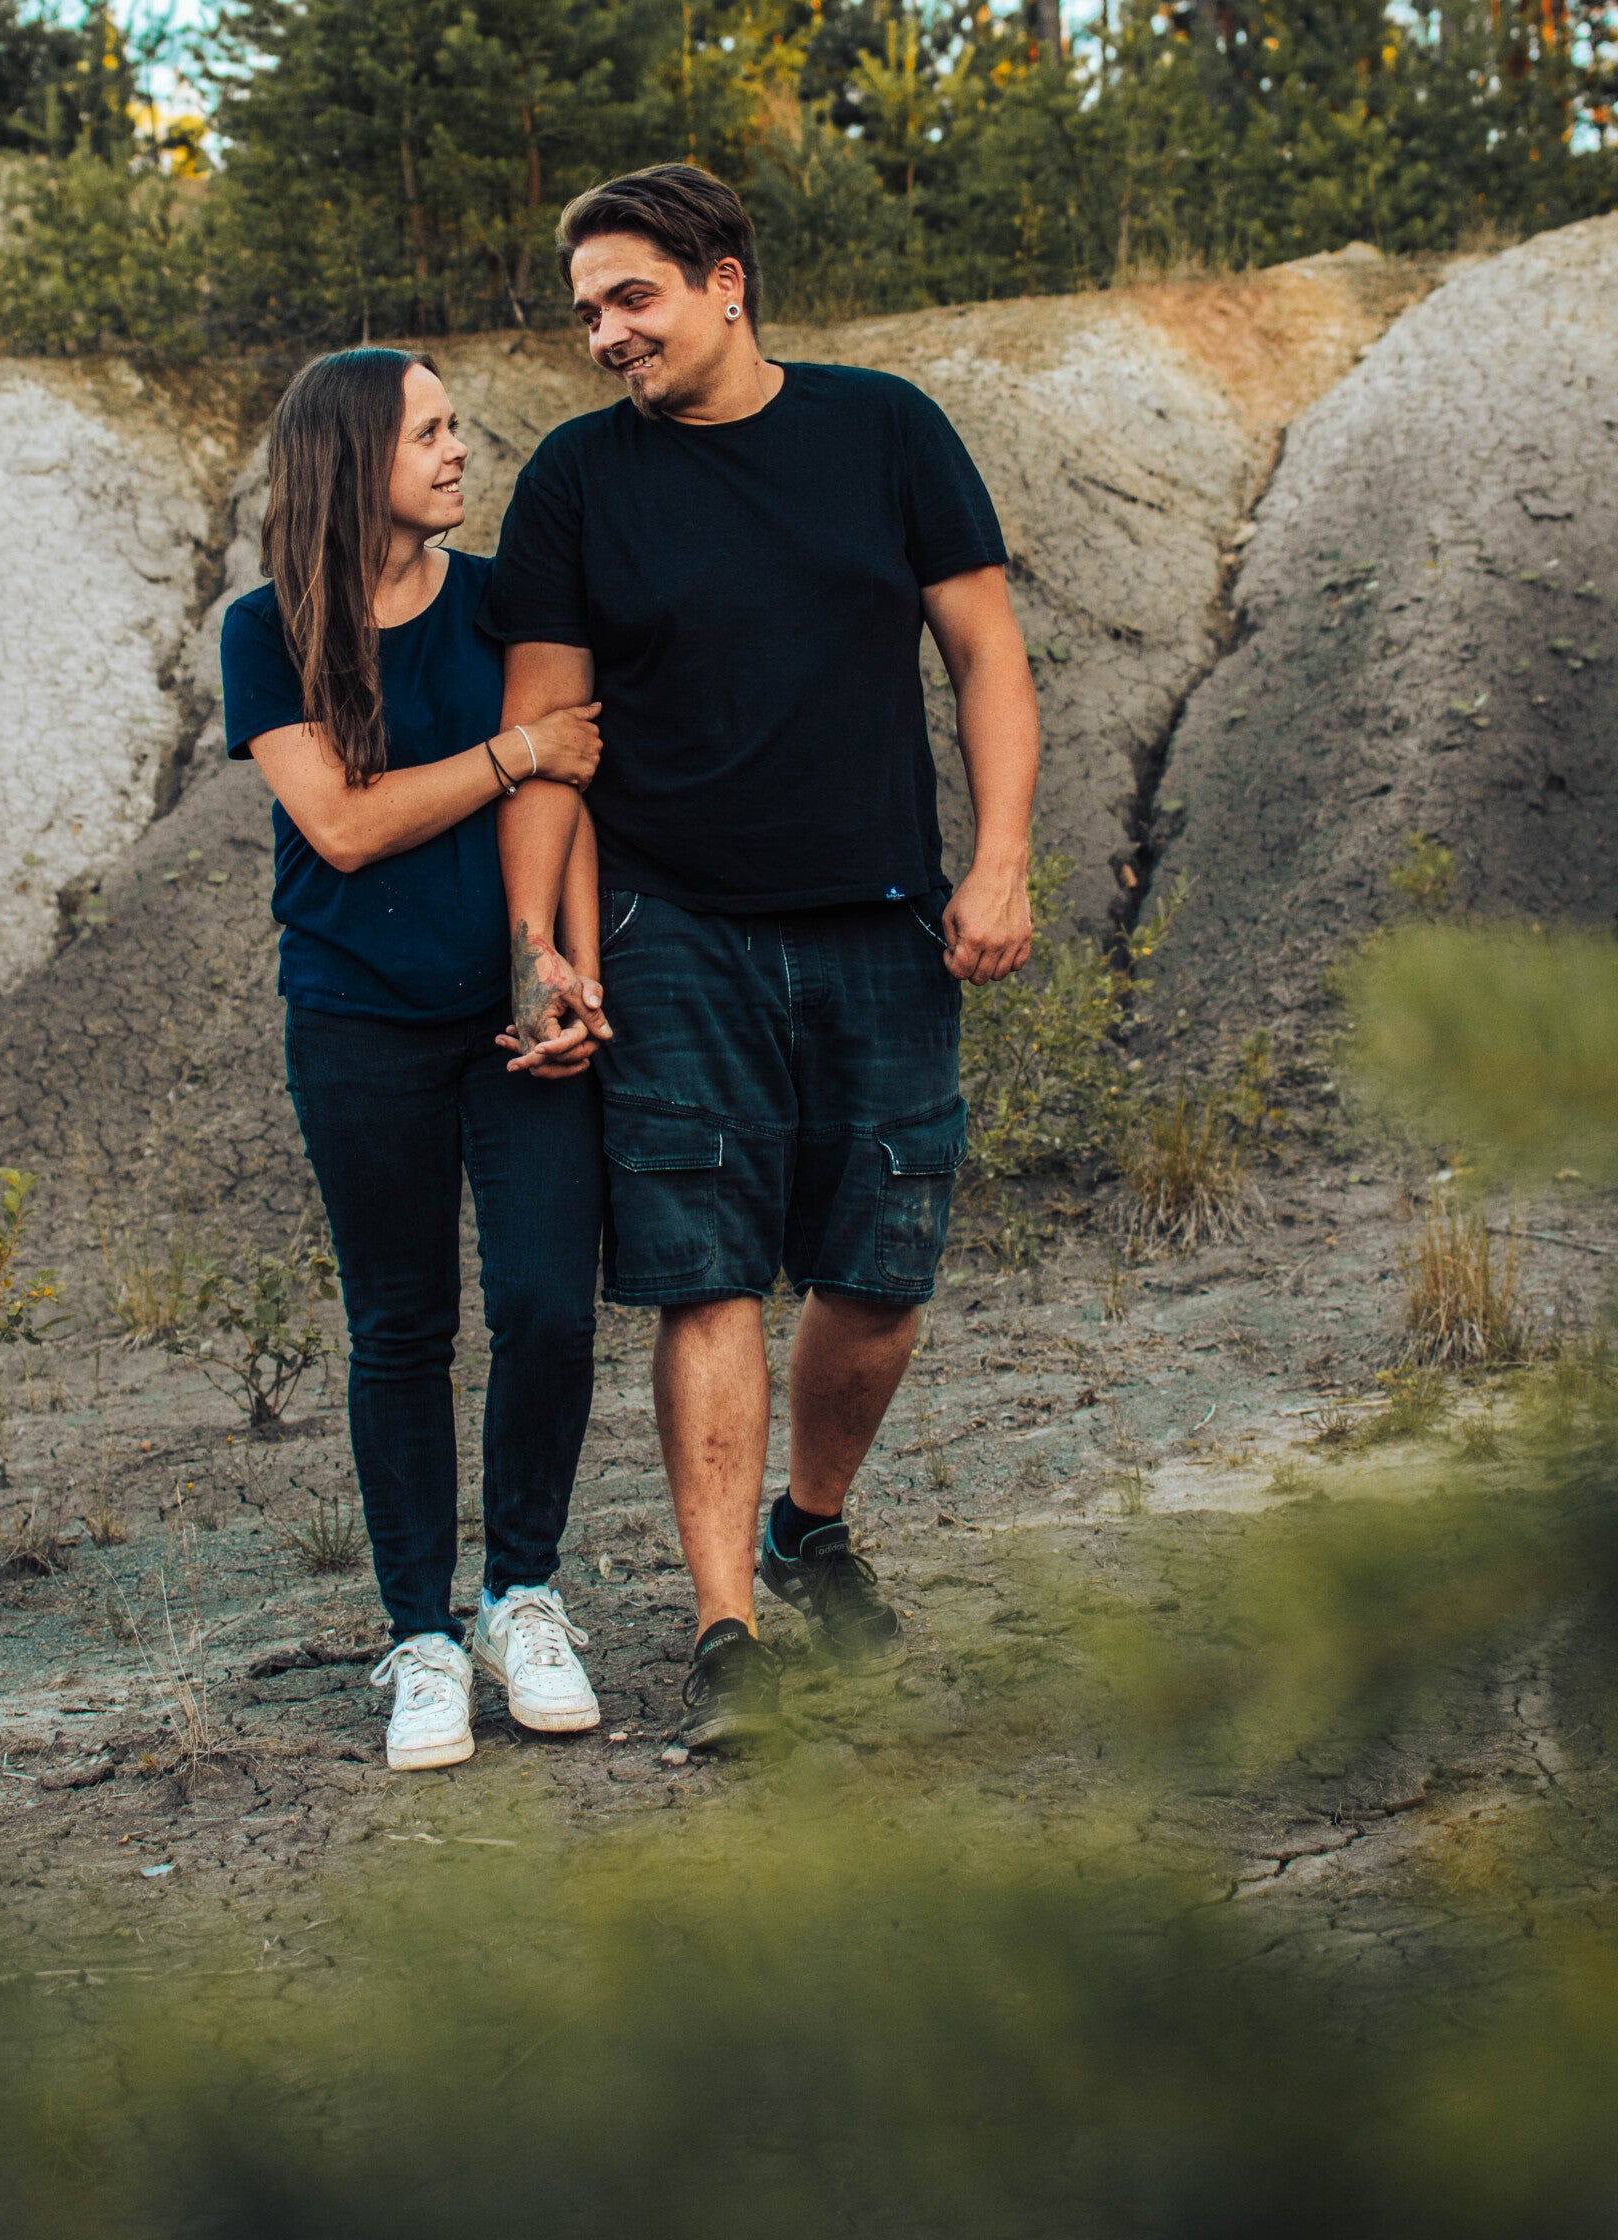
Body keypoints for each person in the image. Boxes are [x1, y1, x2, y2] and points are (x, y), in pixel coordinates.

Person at [479, 165, 1040, 1750]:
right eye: (588, 312)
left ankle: (810, 1523)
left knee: (882, 1274)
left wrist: (1000, 861)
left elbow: (987, 653)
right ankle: (725, 1629)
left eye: (632, 298)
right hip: (673, 931)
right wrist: (537, 946)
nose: (606, 335)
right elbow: (547, 737)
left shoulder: (886, 431)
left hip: (883, 918)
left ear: (726, 281)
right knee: (704, 1270)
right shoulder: (577, 481)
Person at [220, 348, 611, 1773]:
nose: (459, 451)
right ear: (352, 460)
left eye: (456, 428)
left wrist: (576, 972)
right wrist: (514, 750)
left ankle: (520, 1599)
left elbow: (579, 788)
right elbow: (340, 825)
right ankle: (421, 1640)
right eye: (430, 433)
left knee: (549, 1307)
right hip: (354, 1020)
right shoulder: (265, 629)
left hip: (512, 1021)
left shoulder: (505, 602)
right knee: (400, 1329)